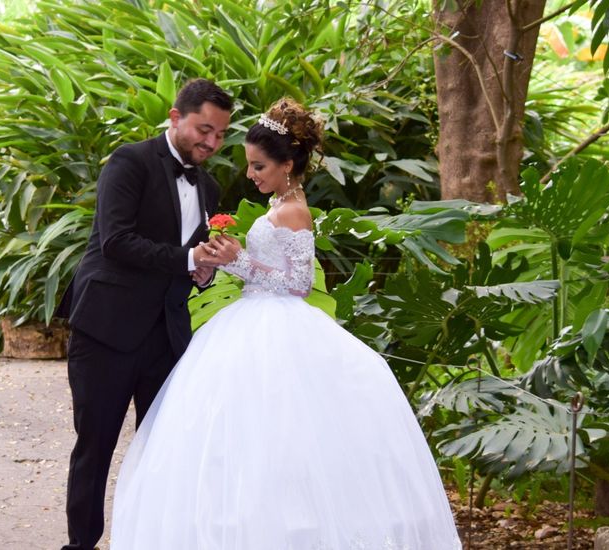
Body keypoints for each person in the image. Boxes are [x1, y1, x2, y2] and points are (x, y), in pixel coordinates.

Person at [109, 98, 461, 549]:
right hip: (251, 321)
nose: (251, 174)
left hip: (280, 327)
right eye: (250, 165)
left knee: (283, 436)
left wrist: (240, 262)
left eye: (258, 166)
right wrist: (230, 261)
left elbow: (297, 284)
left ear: (287, 165)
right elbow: (266, 270)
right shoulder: (280, 203)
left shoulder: (294, 210)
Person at [53, 79, 233, 550]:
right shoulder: (129, 162)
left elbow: (191, 258)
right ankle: (82, 544)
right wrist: (188, 261)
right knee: (95, 447)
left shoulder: (209, 187)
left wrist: (204, 273)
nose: (211, 143)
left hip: (166, 334)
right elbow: (115, 241)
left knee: (162, 448)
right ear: (176, 117)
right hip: (106, 329)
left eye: (220, 136)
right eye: (203, 129)